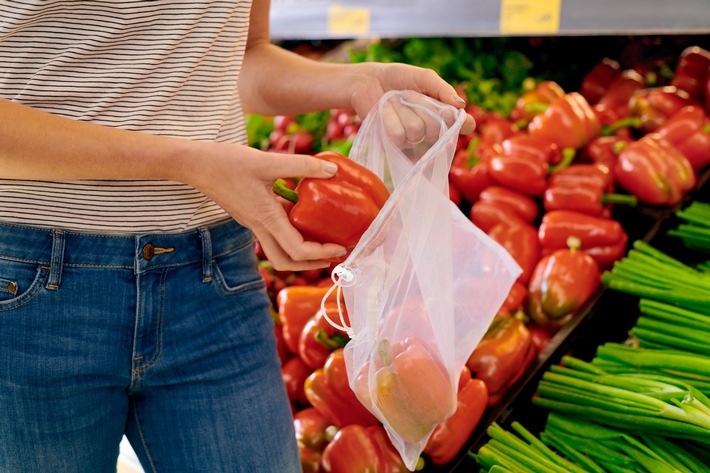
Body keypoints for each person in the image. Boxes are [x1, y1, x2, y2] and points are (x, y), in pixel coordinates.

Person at [0, 1, 474, 472]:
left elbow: (241, 58)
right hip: (33, 287)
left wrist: (358, 83)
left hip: (213, 275)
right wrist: (185, 162)